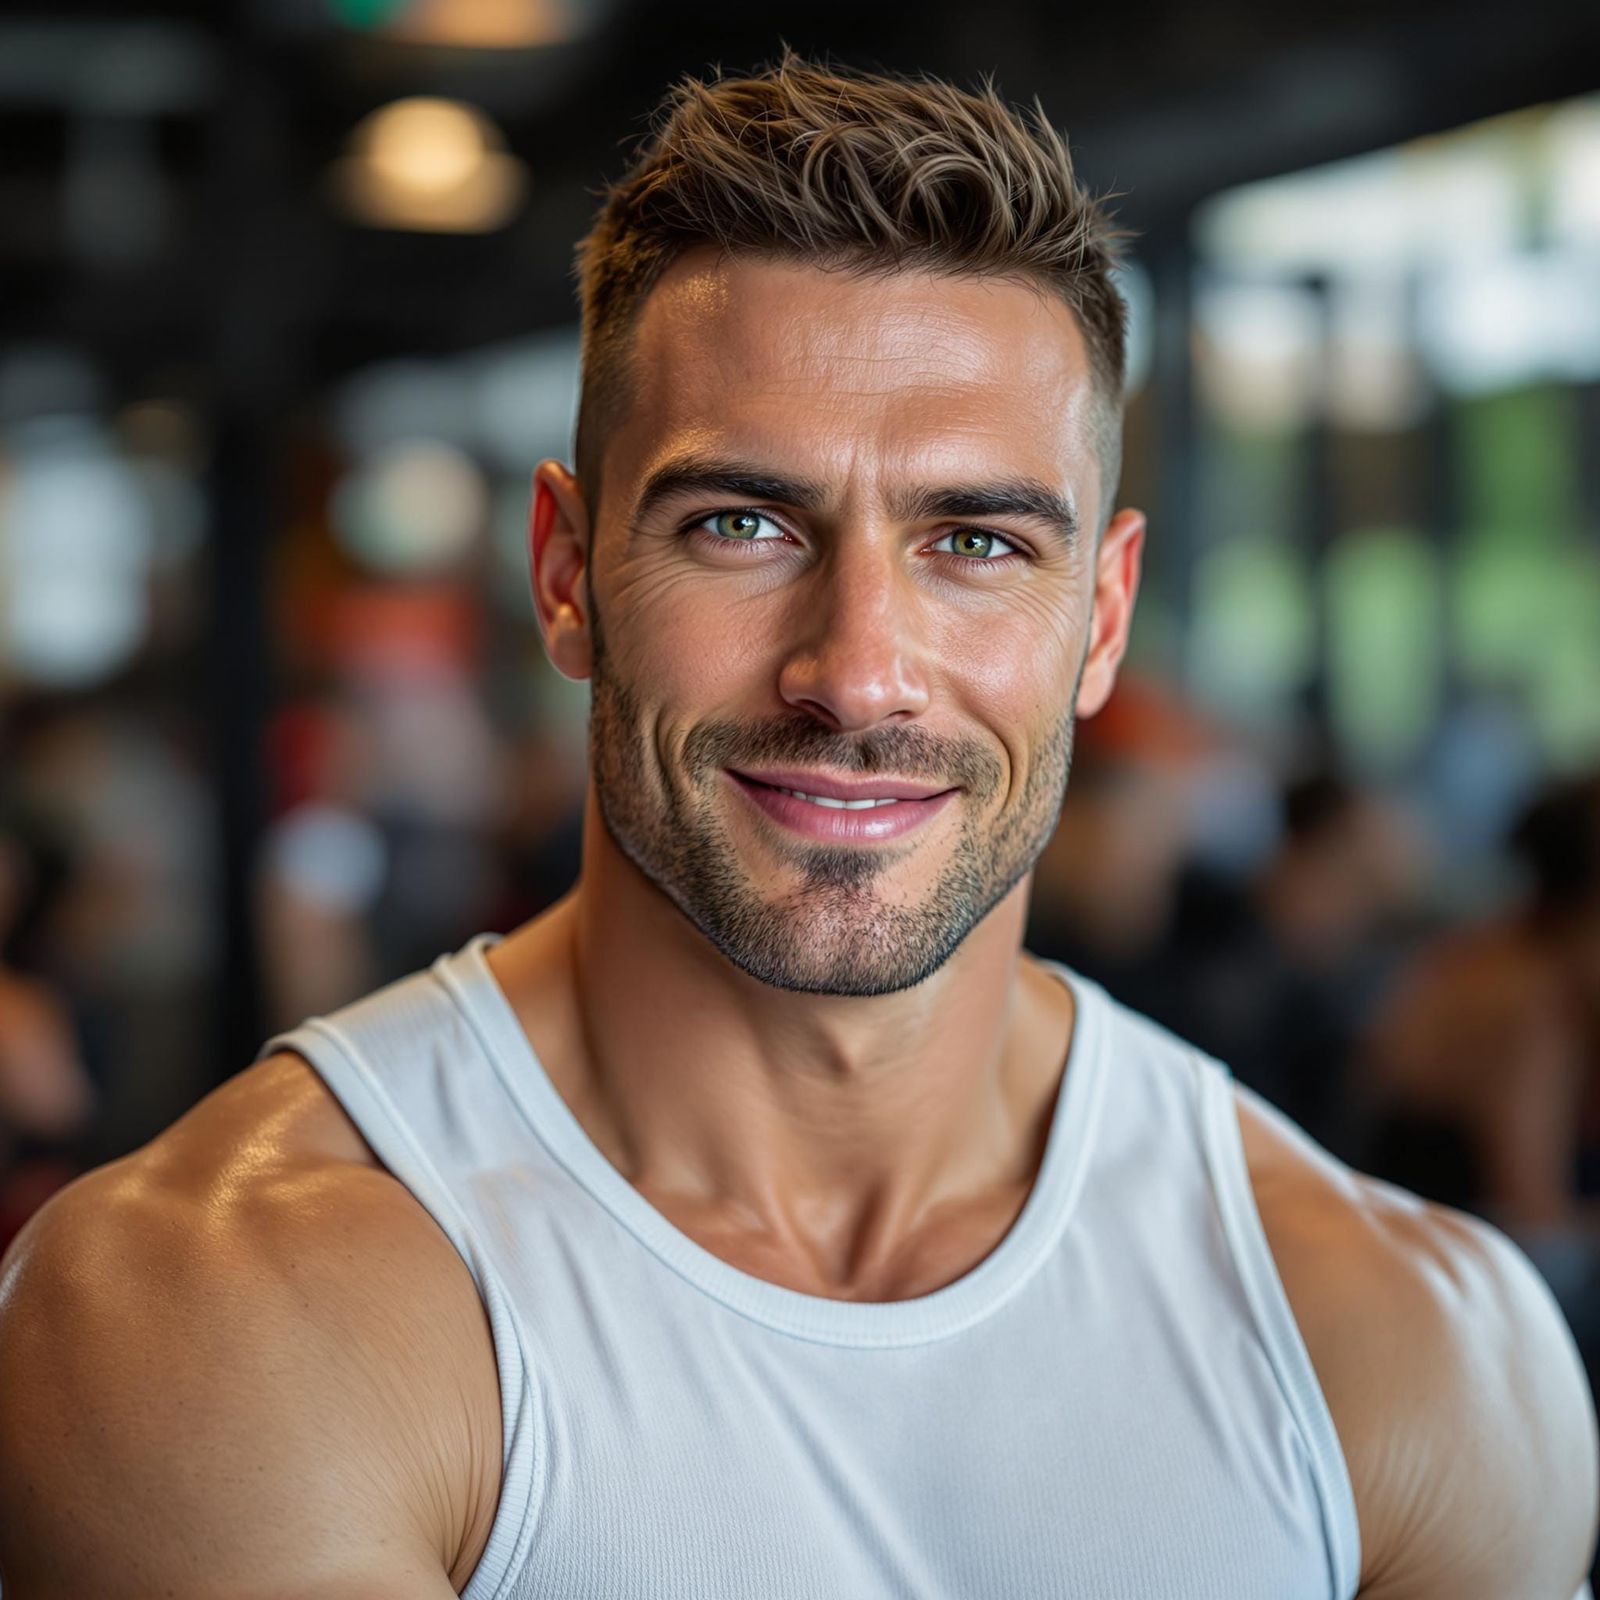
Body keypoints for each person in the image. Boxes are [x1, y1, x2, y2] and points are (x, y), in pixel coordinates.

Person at [0, 55, 1595, 1600]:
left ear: (1101, 618)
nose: (856, 673)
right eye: (743, 525)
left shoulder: (1409, 1345)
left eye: (973, 540)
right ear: (566, 575)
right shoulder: (216, 1305)